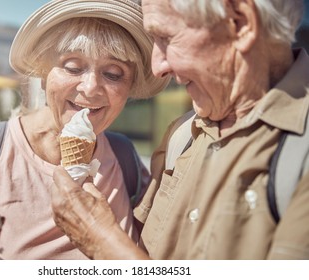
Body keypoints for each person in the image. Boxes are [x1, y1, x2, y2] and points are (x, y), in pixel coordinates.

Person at [50, 0, 309, 260]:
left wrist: (100, 239)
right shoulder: (182, 133)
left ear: (240, 23)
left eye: (165, 37)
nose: (157, 67)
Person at [0, 0, 170, 260]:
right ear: (42, 73)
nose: (90, 87)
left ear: (129, 88)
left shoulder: (126, 158)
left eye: (114, 74)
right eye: (73, 66)